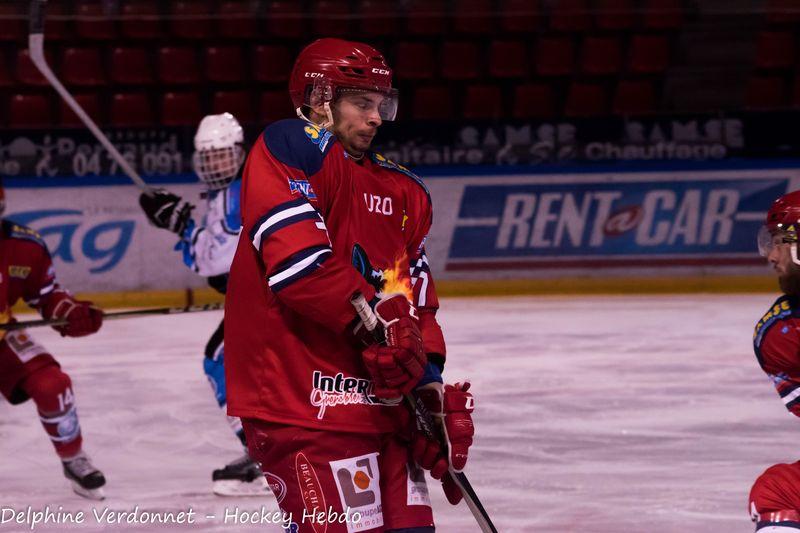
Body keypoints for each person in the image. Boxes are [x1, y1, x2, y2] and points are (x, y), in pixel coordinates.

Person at [225, 38, 476, 532]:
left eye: (381, 104)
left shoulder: (405, 191)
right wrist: (382, 324)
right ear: (320, 99)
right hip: (302, 403)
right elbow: (300, 267)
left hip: (385, 411)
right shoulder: (291, 147)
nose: (377, 116)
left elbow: (414, 302)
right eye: (362, 103)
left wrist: (427, 391)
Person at [138, 113, 266, 496]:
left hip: (266, 297)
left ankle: (267, 456)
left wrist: (181, 227)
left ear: (239, 154)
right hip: (263, 294)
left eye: (223, 156)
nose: (215, 165)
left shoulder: (235, 195)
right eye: (208, 157)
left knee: (220, 359)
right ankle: (272, 449)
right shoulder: (233, 190)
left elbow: (213, 260)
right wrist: (186, 227)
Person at [0, 177, 105, 499]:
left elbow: (46, 295)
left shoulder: (24, 246)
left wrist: (68, 311)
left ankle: (73, 458)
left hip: (2, 333)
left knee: (52, 384)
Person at [750, 190, 800, 530]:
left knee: (777, 491)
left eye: (778, 240)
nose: (770, 255)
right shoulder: (781, 332)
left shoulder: (781, 331)